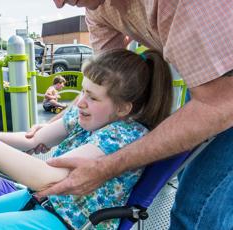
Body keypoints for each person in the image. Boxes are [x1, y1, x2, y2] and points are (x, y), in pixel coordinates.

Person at [25, 1, 233, 229]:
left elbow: (220, 102)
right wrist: (51, 126)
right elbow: (100, 83)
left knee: (197, 209)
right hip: (214, 81)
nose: (59, 3)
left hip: (224, 88)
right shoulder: (96, 8)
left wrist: (107, 166)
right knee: (190, 187)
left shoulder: (182, 4)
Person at [0, 49, 173, 229]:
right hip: (47, 201)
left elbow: (46, 176)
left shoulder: (124, 135)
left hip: (73, 220)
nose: (80, 102)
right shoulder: (88, 115)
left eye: (93, 97)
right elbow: (31, 139)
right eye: (83, 91)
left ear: (123, 108)